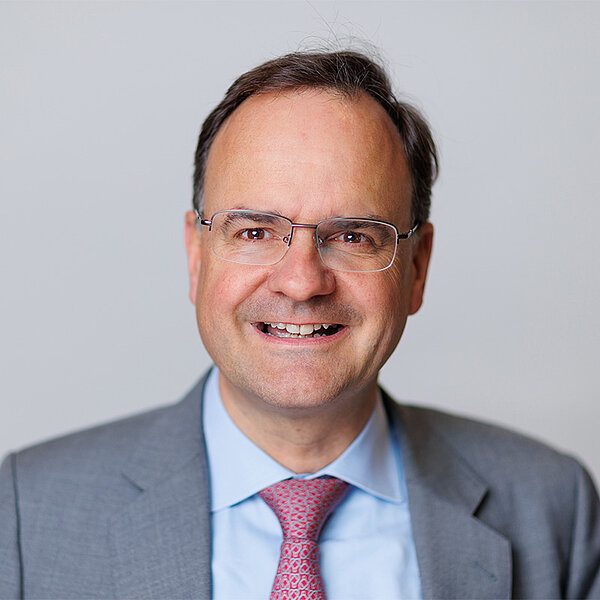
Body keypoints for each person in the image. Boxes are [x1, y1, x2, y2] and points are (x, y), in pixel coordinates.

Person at [1, 50, 599, 600]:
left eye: (353, 236)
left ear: (417, 268)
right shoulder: (28, 513)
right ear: (196, 256)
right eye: (255, 231)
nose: (302, 282)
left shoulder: (553, 507)